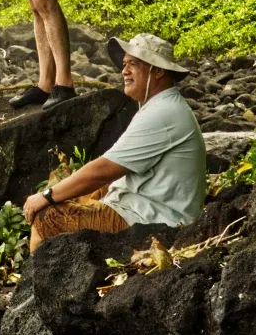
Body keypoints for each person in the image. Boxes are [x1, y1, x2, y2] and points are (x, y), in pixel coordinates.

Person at [21, 33, 207, 252]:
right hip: (144, 210)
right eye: (124, 64)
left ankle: (33, 283)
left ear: (158, 71)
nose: (124, 71)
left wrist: (47, 196)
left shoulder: (163, 112)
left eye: (133, 64)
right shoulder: (161, 105)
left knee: (46, 217)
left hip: (155, 221)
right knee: (77, 193)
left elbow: (105, 169)